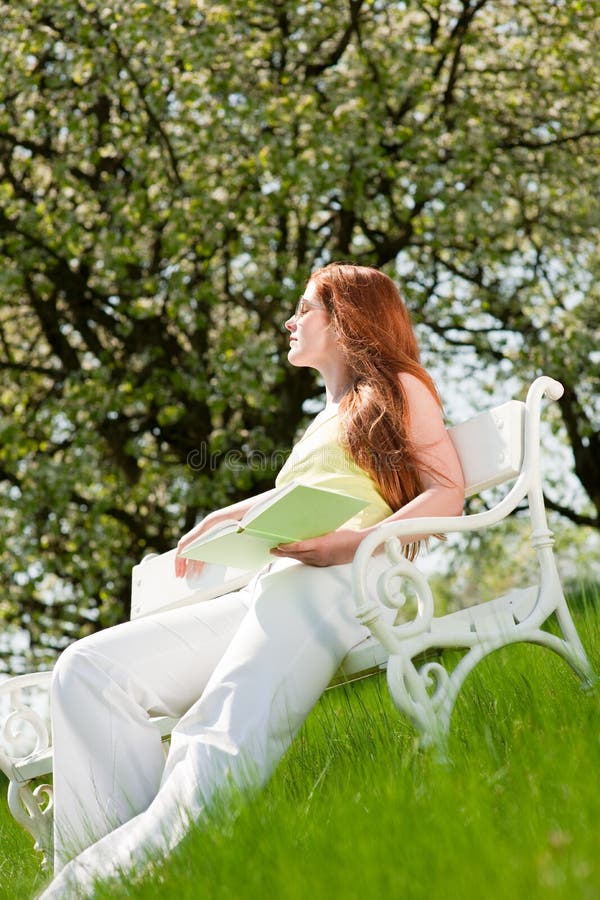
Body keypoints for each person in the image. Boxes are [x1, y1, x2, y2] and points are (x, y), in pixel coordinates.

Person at [40, 263, 464, 897]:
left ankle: (93, 888)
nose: (290, 323)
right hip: (275, 584)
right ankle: (130, 867)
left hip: (344, 583)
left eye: (304, 309)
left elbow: (449, 492)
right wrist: (230, 514)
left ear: (346, 317)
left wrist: (349, 545)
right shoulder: (328, 414)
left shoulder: (399, 386)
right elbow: (301, 494)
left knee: (217, 734)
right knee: (87, 671)